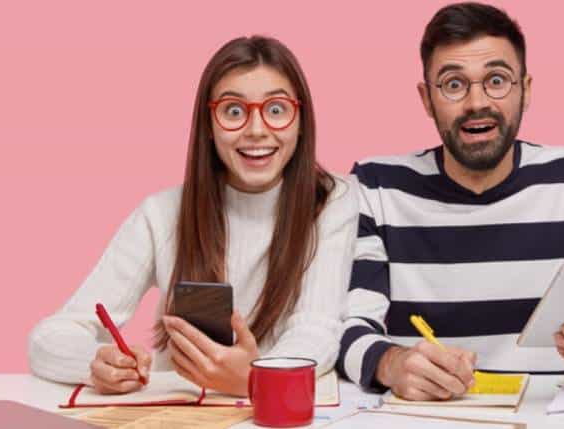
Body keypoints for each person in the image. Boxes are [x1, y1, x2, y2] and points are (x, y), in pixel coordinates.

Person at [336, 2, 564, 400]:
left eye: (496, 80)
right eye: (454, 84)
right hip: (428, 417)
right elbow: (347, 329)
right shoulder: (376, 186)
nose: (477, 103)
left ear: (525, 90)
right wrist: (391, 364)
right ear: (426, 99)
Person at [28, 36, 357, 396]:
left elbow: (317, 329)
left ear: (301, 120)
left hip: (277, 413)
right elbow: (50, 338)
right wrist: (96, 362)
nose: (257, 130)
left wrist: (255, 380)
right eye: (233, 111)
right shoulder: (163, 212)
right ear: (209, 126)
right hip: (185, 412)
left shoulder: (333, 202)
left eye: (276, 109)